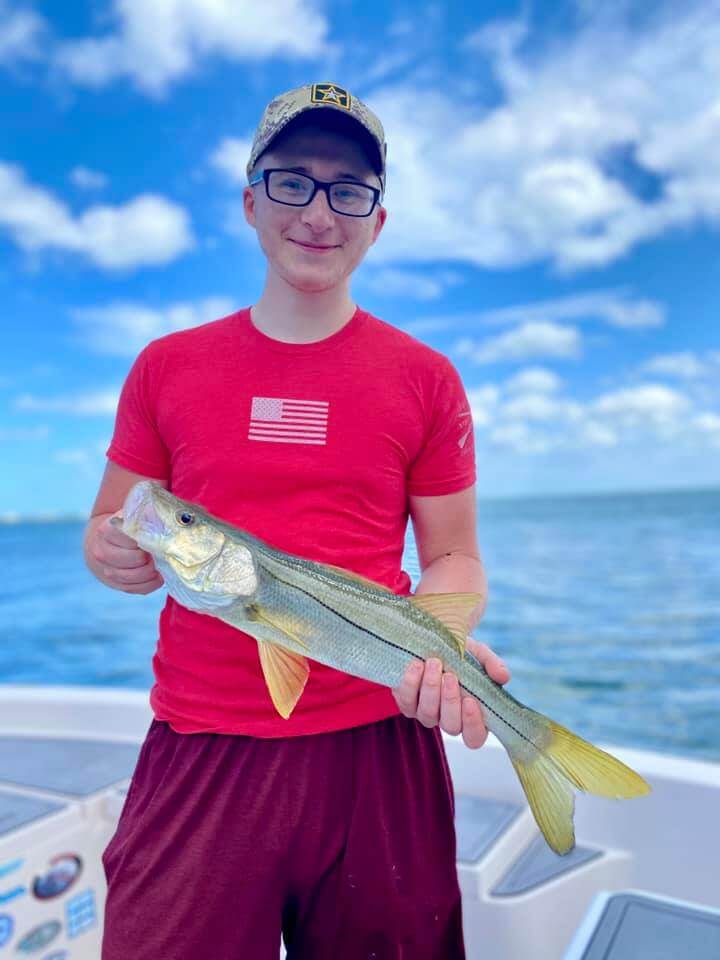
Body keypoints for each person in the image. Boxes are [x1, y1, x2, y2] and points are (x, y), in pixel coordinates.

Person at [84, 81, 510, 960]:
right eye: (291, 181)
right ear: (249, 200)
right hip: (201, 741)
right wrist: (111, 553)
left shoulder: (426, 377)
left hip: (380, 741)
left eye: (347, 189)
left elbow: (458, 554)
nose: (318, 211)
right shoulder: (166, 367)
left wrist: (440, 642)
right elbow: (117, 521)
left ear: (377, 220)